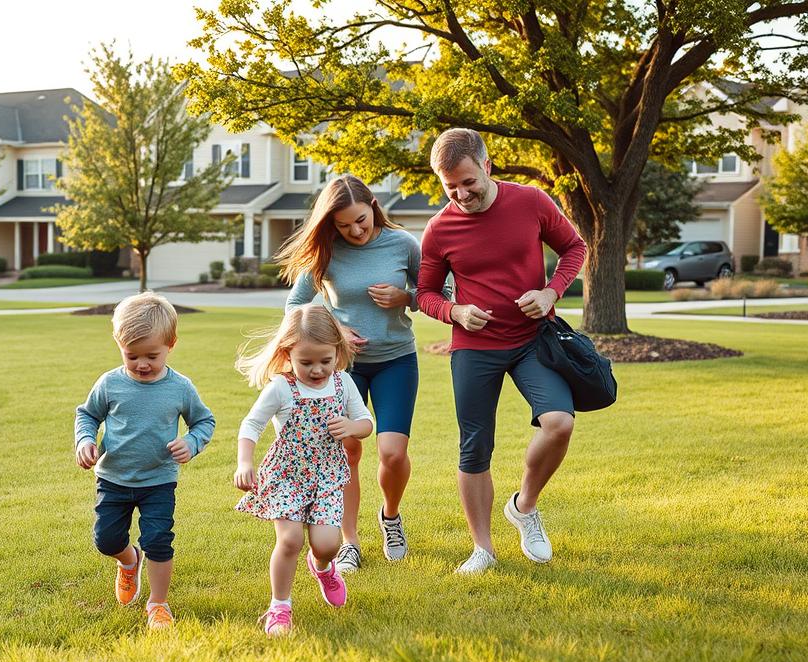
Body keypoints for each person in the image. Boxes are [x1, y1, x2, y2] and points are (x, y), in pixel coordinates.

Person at [416, 128, 587, 573]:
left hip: (533, 340)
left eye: (468, 182)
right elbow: (426, 293)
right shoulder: (439, 229)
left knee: (559, 423)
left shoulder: (530, 201)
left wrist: (551, 292)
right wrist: (455, 312)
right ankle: (483, 550)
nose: (460, 194)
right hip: (474, 347)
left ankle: (524, 506)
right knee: (474, 448)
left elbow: (574, 247)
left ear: (488, 167)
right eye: (449, 186)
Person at [281, 174, 425, 573]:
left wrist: (405, 297)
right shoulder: (327, 252)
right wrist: (334, 326)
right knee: (347, 452)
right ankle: (349, 542)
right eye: (343, 225)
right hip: (345, 368)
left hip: (396, 361)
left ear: (373, 206)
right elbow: (295, 306)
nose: (355, 230)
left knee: (393, 453)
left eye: (360, 220)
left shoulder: (403, 244)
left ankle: (390, 517)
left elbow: (438, 294)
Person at [74, 293, 216, 629]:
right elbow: (87, 415)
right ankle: (128, 562)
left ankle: (158, 603)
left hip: (158, 480)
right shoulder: (110, 383)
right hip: (113, 478)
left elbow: (204, 421)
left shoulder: (180, 387)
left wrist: (191, 442)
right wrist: (84, 440)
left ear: (171, 344)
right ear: (118, 344)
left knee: (157, 540)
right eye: (131, 355)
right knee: (106, 540)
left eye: (152, 355)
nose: (141, 364)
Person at [233, 304, 375, 636]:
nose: (316, 370)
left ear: (337, 351)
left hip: (326, 476)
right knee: (291, 540)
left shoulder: (343, 384)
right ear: (288, 354)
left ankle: (323, 568)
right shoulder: (282, 387)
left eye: (325, 361)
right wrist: (244, 462)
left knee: (327, 545)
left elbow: (367, 423)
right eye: (306, 362)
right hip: (287, 476)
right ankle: (279, 607)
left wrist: (352, 426)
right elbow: (251, 424)